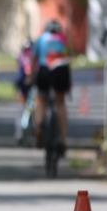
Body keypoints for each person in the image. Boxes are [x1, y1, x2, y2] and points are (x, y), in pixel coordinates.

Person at [31, 19, 72, 153]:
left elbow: (34, 60)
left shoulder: (41, 39)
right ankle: (63, 140)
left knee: (41, 100)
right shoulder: (63, 39)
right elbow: (68, 59)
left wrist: (30, 77)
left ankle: (39, 127)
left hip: (45, 69)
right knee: (60, 103)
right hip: (61, 69)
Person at [14, 38, 35, 141]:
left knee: (22, 109)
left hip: (22, 85)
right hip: (29, 85)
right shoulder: (33, 56)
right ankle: (32, 132)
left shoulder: (20, 56)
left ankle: (20, 133)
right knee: (31, 109)